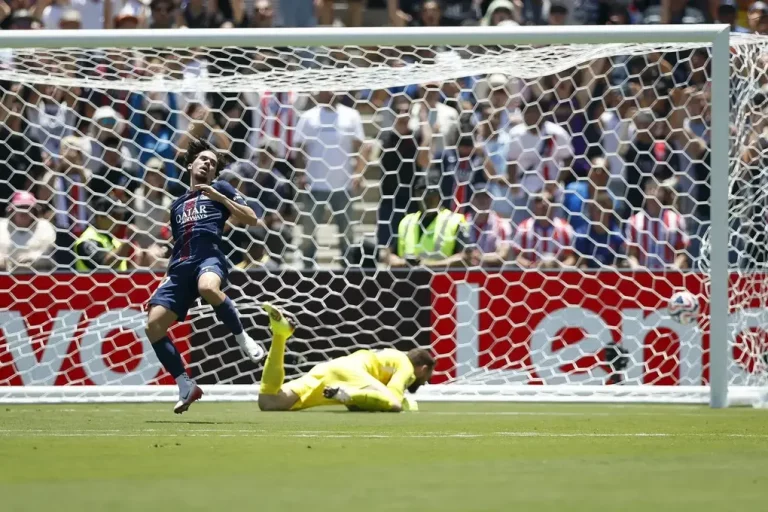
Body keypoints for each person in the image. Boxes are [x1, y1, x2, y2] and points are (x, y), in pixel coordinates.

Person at [144, 138, 265, 414]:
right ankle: (185, 385)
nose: (207, 164)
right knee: (153, 326)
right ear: (191, 165)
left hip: (208, 257)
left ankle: (242, 338)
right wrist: (165, 278)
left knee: (208, 287)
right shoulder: (176, 205)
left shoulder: (221, 189)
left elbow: (251, 218)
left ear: (214, 173)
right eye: (203, 159)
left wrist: (219, 198)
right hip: (179, 268)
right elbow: (178, 244)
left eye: (212, 163)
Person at [258, 303, 434, 412]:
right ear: (423, 368)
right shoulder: (406, 366)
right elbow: (393, 395)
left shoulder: (391, 357)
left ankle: (279, 335)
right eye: (427, 376)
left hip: (330, 367)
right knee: (395, 404)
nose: (425, 381)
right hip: (350, 373)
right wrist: (405, 402)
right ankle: (345, 393)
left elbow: (368, 399)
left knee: (269, 402)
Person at [383, 169, 469, 268]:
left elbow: (466, 257)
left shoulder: (454, 221)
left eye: (430, 194)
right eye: (420, 193)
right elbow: (390, 256)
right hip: (408, 276)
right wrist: (405, 263)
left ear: (439, 195)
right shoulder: (406, 222)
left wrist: (428, 265)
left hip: (441, 277)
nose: (425, 199)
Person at [625, 179, 689, 270]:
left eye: (656, 189)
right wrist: (636, 267)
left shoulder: (676, 219)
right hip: (643, 274)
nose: (653, 193)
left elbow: (683, 252)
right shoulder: (634, 221)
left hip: (669, 273)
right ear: (644, 193)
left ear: (663, 194)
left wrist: (676, 266)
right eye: (649, 189)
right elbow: (631, 253)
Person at [512, 189, 576, 269]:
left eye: (550, 200)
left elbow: (571, 257)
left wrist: (558, 267)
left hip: (557, 274)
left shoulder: (565, 228)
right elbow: (518, 257)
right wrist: (533, 266)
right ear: (534, 204)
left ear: (554, 205)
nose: (544, 203)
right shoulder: (524, 228)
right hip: (531, 273)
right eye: (539, 200)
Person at [73, 197, 135, 272]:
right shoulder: (86, 241)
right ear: (100, 217)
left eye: (121, 216)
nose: (120, 221)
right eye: (116, 216)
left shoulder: (116, 242)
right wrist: (128, 240)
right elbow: (104, 266)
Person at [0, 191, 56, 272]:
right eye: (19, 207)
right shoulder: (2, 226)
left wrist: (34, 258)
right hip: (6, 276)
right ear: (12, 210)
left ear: (34, 211)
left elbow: (51, 254)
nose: (24, 211)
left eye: (28, 208)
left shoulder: (44, 227)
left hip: (38, 274)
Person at [573, 191, 626, 269]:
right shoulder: (582, 234)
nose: (599, 215)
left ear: (609, 212)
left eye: (601, 211)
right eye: (594, 211)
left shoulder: (617, 236)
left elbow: (621, 262)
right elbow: (580, 261)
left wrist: (616, 266)